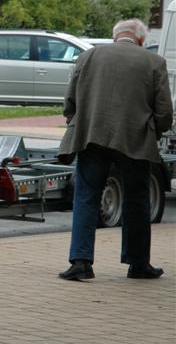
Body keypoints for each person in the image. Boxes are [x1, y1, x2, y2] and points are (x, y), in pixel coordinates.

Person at [58, 18, 172, 281]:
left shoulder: (88, 56)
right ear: (141, 39)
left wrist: (78, 121)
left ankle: (81, 262)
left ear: (115, 36)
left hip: (92, 136)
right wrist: (154, 130)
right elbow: (165, 112)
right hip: (135, 139)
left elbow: (70, 100)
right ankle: (138, 263)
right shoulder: (153, 62)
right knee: (137, 200)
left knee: (86, 197)